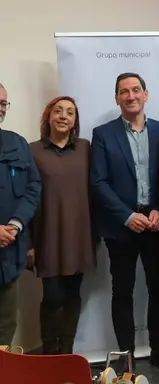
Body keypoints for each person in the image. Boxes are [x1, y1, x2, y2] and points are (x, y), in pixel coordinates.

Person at [90, 73, 159, 375]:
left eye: (136, 90)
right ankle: (126, 355)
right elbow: (98, 182)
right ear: (117, 98)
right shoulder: (103, 134)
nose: (131, 96)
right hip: (121, 227)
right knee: (123, 291)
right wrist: (127, 216)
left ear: (145, 94)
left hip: (156, 224)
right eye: (124, 92)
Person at [28, 96, 94, 355]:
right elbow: (26, 196)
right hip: (48, 235)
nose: (64, 116)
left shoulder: (85, 148)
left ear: (75, 120)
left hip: (79, 235)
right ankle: (49, 353)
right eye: (58, 111)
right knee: (53, 297)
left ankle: (66, 352)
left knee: (72, 295)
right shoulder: (33, 150)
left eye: (70, 112)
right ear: (49, 116)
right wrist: (28, 243)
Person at [0, 82, 43, 346]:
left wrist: (15, 225)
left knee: (6, 324)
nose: (0, 108)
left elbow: (33, 186)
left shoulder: (16, 142)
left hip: (9, 253)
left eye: (3, 103)